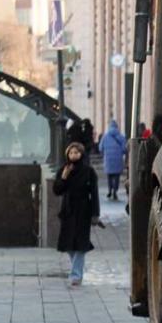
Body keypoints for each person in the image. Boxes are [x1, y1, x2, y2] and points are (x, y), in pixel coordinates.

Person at [54, 142, 101, 286]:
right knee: (68, 245)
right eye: (71, 153)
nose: (73, 155)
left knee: (81, 244)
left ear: (81, 154)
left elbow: (94, 193)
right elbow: (57, 191)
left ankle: (76, 275)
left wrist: (95, 214)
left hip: (83, 211)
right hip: (68, 211)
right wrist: (63, 177)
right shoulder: (64, 169)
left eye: (76, 152)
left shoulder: (88, 171)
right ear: (67, 154)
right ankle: (76, 271)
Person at [99, 120, 127, 200]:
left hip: (108, 159)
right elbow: (125, 148)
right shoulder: (121, 136)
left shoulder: (105, 136)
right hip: (118, 159)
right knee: (116, 176)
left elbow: (100, 148)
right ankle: (115, 190)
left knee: (109, 176)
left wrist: (105, 153)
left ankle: (110, 190)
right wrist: (121, 152)